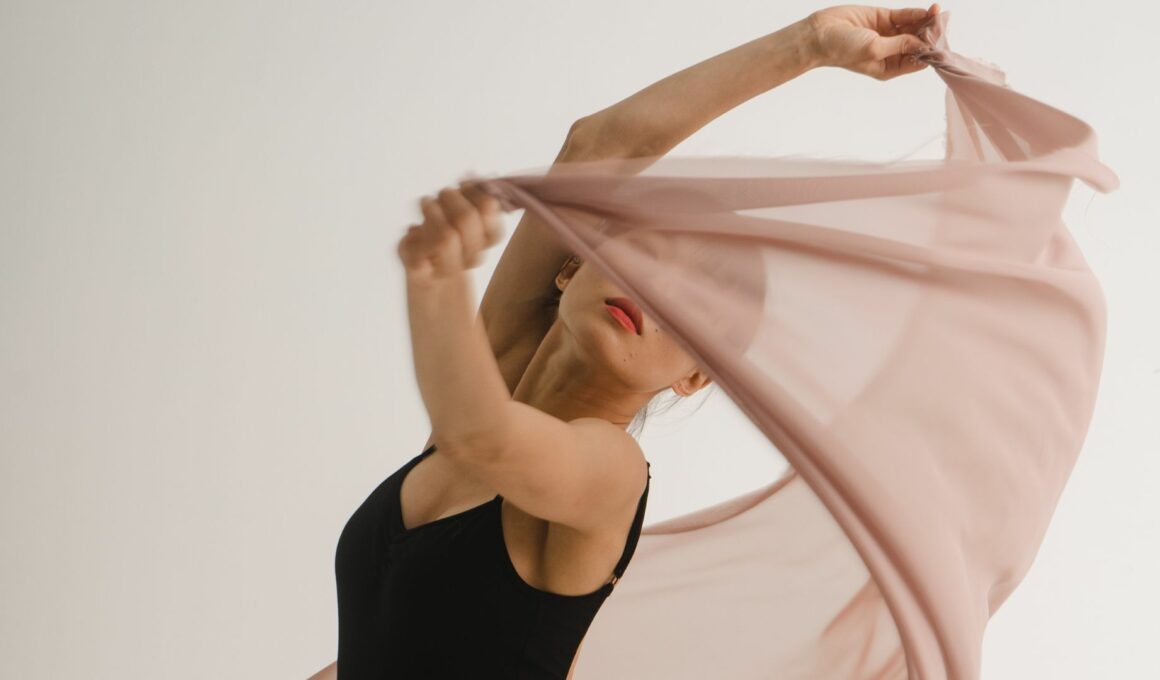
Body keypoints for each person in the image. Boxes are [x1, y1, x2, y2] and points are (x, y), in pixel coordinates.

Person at [313, 4, 940, 678]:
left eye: (694, 305)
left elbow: (482, 437)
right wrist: (809, 42)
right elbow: (595, 147)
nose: (655, 293)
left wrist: (434, 283)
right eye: (647, 254)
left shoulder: (611, 472)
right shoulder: (497, 368)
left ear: (695, 376)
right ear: (572, 263)